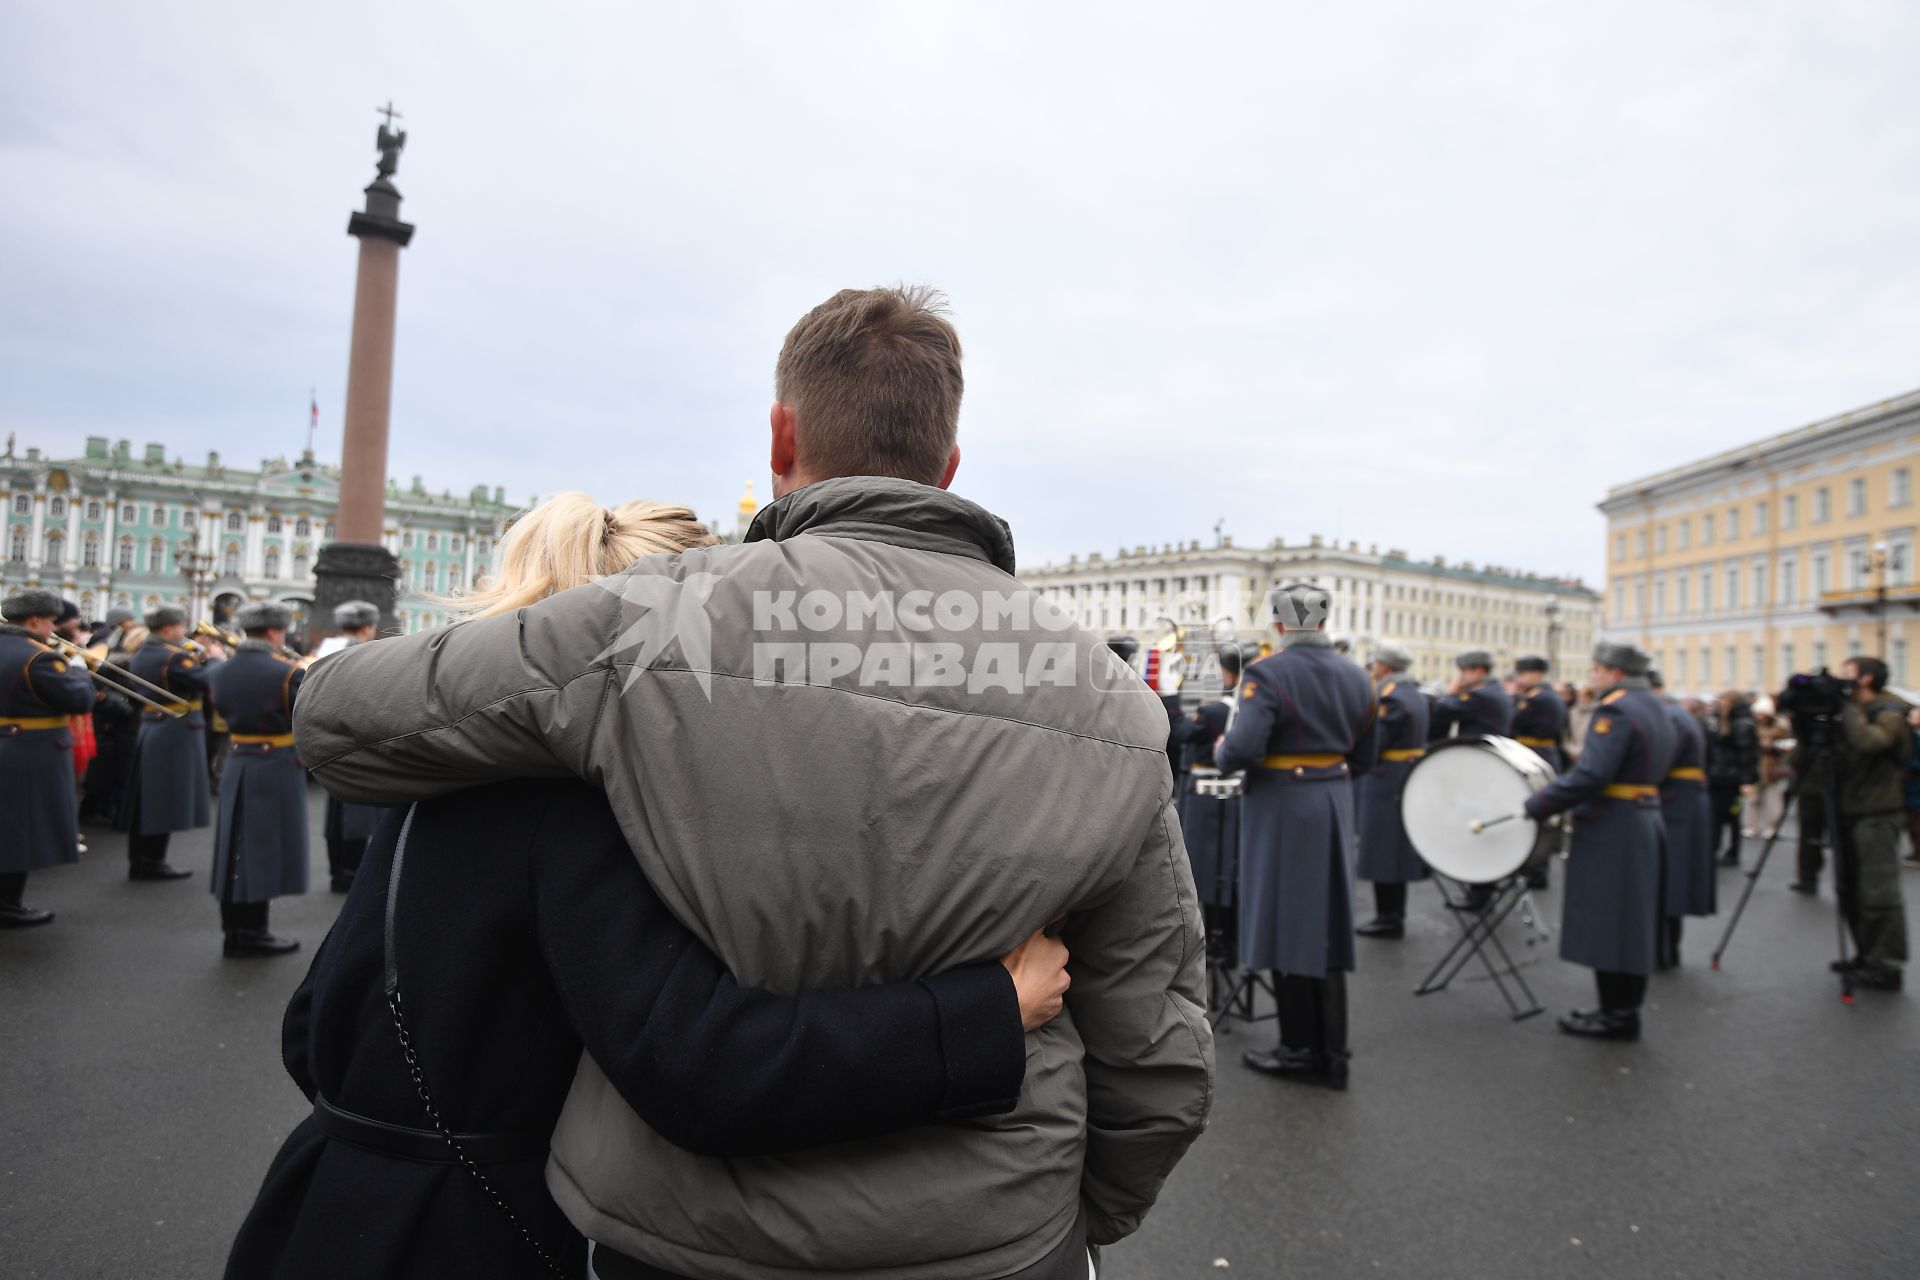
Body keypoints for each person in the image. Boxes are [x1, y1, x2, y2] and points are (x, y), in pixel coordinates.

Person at [294, 286, 1212, 1279]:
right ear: (948, 464)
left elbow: (338, 716)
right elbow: (1154, 1036)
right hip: (996, 1231)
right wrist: (1075, 1216)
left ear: (782, 434)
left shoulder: (646, 624)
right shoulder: (1111, 698)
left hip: (683, 1235)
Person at [228, 496, 1074, 1279]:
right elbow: (701, 1065)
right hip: (477, 1232)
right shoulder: (573, 803)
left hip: (320, 1202)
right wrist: (987, 1011)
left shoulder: (443, 772)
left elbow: (309, 1032)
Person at [1215, 582, 1378, 1087]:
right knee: (1323, 928)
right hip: (1333, 798)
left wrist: (1222, 747)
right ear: (1324, 622)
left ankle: (1300, 1051)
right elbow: (1366, 757)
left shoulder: (1268, 673)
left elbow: (1240, 751)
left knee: (1287, 925)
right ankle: (1330, 1051)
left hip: (1285, 804)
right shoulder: (1359, 676)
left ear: (1281, 624)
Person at [1520, 642, 1674, 1041]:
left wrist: (1538, 803)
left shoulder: (1617, 709)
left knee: (1611, 920)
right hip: (1642, 817)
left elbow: (1592, 774)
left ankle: (1617, 1014)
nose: (1593, 676)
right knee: (1631, 921)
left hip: (1615, 825)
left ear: (1615, 674)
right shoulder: (1654, 704)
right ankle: (1621, 1008)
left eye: (1598, 670)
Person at [203, 602, 309, 958]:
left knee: (235, 847)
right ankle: (252, 931)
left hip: (238, 760)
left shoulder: (220, 669)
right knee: (262, 848)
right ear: (275, 632)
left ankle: (235, 928)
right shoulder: (287, 672)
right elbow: (306, 716)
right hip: (275, 762)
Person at [0, 589, 96, 927]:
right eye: (52, 622)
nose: (54, 629)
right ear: (35, 620)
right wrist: (79, 669)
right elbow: (79, 700)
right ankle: (8, 904)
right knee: (21, 829)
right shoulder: (39, 657)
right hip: (32, 752)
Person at [1823, 657, 1911, 991]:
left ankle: (1887, 964)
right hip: (1849, 807)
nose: (1841, 684)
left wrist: (1844, 708)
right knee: (1849, 887)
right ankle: (1864, 954)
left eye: (1847, 677)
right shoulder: (1853, 712)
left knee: (1879, 891)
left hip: (1878, 811)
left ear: (1867, 679)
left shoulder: (1890, 711)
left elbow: (1870, 742)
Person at [114, 607, 220, 880]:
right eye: (180, 627)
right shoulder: (173, 657)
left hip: (154, 726)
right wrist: (215, 659)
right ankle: (151, 860)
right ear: (167, 629)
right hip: (175, 731)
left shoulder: (145, 652)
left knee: (149, 797)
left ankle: (142, 858)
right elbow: (210, 680)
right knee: (162, 798)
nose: (183, 632)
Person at [1355, 643, 1429, 940]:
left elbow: (1375, 741)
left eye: (1375, 663)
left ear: (1385, 666)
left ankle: (1389, 917)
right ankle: (1392, 914)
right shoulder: (1413, 693)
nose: (1373, 667)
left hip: (1387, 778)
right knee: (1394, 850)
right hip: (1403, 775)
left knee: (1384, 851)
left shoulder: (1391, 697)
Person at [1172, 644, 1243, 948]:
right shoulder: (1240, 705)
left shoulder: (1213, 709)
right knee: (1230, 865)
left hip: (1207, 794)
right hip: (1233, 792)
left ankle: (1216, 939)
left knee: (1206, 865)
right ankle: (1228, 936)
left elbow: (1180, 732)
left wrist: (1172, 697)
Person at [315, 600, 385, 892]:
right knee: (357, 812)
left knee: (336, 811)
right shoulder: (365, 654)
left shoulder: (325, 649)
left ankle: (338, 870)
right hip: (356, 740)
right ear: (368, 626)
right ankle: (350, 872)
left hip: (328, 738)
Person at [1649, 671, 1712, 968]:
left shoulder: (1668, 717)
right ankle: (1667, 949)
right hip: (1684, 801)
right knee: (1673, 878)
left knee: (1668, 880)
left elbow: (1658, 764)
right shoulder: (1676, 713)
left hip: (1675, 804)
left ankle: (1663, 951)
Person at [1510, 655, 1567, 890]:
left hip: (1536, 754)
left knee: (1538, 811)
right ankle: (1534, 868)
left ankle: (1537, 869)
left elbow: (1514, 720)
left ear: (1536, 674)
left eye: (1522, 674)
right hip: (1537, 753)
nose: (1519, 679)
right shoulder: (1545, 697)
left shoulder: (1541, 699)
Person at [1705, 690, 1759, 866]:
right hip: (1719, 776)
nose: (1719, 703)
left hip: (1730, 778)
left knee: (1731, 816)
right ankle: (1717, 849)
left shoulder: (1740, 724)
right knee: (1718, 817)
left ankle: (1731, 851)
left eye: (1723, 700)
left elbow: (1747, 755)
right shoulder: (1721, 721)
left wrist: (1746, 780)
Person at [1430, 649, 1514, 740]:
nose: (1461, 676)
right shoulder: (1496, 690)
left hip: (1477, 749)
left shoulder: (1479, 696)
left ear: (1479, 671)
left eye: (1464, 671)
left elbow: (1441, 709)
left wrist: (1450, 693)